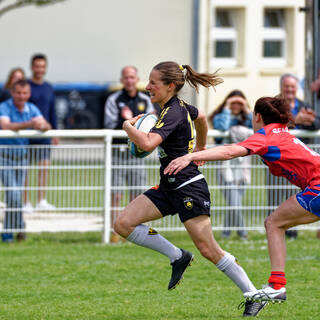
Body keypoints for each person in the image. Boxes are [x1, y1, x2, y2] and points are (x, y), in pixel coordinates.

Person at [114, 61, 266, 317]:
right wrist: (200, 149)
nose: (148, 87)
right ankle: (178, 256)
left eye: (154, 83)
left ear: (170, 86)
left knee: (209, 250)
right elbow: (203, 117)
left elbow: (149, 144)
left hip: (188, 188)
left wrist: (128, 128)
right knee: (123, 224)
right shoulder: (172, 108)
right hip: (167, 187)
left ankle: (253, 294)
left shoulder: (173, 111)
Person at [164, 96, 320, 304]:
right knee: (276, 222)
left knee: (274, 223)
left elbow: (231, 151)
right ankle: (276, 286)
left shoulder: (267, 135)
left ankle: (277, 285)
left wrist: (189, 156)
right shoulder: (282, 132)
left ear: (257, 116)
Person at [104, 66, 155, 243]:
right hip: (118, 152)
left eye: (132, 77)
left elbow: (150, 122)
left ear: (137, 79)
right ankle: (114, 231)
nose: (129, 81)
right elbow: (109, 125)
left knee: (137, 194)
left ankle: (134, 231)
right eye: (126, 77)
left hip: (137, 153)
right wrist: (124, 119)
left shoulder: (144, 99)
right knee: (116, 194)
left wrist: (131, 118)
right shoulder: (113, 99)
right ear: (122, 80)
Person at [0, 80, 51, 242]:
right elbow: (5, 126)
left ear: (29, 94)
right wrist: (30, 124)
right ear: (12, 93)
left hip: (22, 157)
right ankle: (15, 229)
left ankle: (15, 229)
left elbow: (46, 125)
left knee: (15, 195)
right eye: (18, 93)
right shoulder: (5, 107)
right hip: (4, 156)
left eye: (25, 93)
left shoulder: (32, 108)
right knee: (14, 193)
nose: (21, 96)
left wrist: (41, 125)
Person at [270, 74, 320, 239]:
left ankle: (291, 232)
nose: (290, 90)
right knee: (275, 195)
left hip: (300, 161)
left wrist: (310, 120)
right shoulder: (272, 104)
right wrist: (295, 120)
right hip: (279, 158)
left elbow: (317, 123)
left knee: (296, 195)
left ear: (296, 87)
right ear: (281, 87)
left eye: (292, 86)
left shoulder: (304, 104)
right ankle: (275, 230)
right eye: (287, 86)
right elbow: (270, 125)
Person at [208, 90, 252, 239]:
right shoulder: (220, 116)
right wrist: (227, 107)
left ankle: (226, 233)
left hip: (243, 166)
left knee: (235, 202)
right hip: (224, 166)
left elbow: (257, 128)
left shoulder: (247, 119)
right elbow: (221, 127)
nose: (236, 105)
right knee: (234, 202)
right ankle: (243, 233)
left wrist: (246, 109)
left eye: (239, 103)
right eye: (233, 102)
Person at [24, 53, 59, 213]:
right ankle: (25, 202)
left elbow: (52, 111)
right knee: (25, 169)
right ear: (32, 67)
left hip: (45, 135)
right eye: (37, 66)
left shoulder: (49, 87)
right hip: (27, 135)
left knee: (44, 167)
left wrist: (55, 132)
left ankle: (41, 200)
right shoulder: (26, 87)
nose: (40, 69)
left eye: (42, 66)